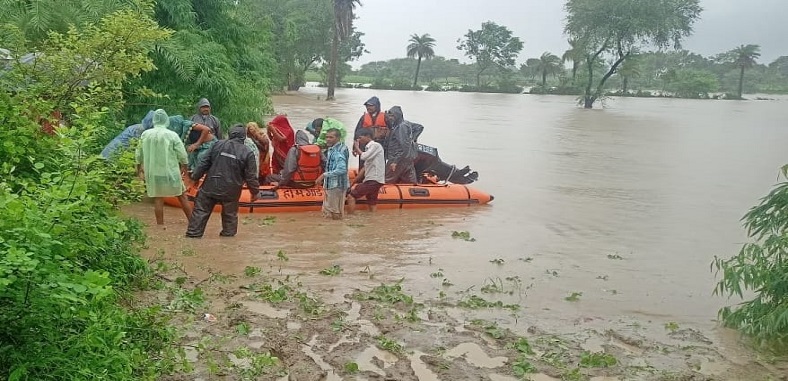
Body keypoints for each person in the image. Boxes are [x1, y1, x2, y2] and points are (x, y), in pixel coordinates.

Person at [185, 124, 260, 238]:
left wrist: (194, 177)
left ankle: (192, 237)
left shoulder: (217, 144)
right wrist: (254, 192)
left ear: (229, 134)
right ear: (243, 137)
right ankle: (227, 244)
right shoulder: (247, 152)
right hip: (231, 191)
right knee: (230, 217)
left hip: (210, 186)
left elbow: (203, 163)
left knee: (200, 212)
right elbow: (251, 176)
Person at [135, 109, 193, 225]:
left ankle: (160, 226)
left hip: (154, 172)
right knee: (182, 196)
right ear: (166, 120)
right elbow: (182, 154)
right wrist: (184, 168)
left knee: (158, 198)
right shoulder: (172, 135)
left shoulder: (145, 134)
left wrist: (138, 168)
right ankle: (193, 223)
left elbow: (138, 153)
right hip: (170, 171)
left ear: (154, 120)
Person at [347, 128, 385, 213]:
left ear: (368, 136)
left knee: (351, 196)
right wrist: (354, 181)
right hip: (373, 180)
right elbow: (364, 168)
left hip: (373, 180)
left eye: (360, 138)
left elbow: (364, 156)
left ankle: (349, 219)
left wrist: (357, 147)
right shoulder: (369, 149)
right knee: (372, 203)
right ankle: (373, 221)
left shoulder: (375, 146)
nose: (359, 140)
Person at [384, 106, 423, 184]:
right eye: (390, 116)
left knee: (387, 179)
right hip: (408, 159)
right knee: (411, 182)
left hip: (398, 158)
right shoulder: (405, 123)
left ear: (397, 115)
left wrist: (395, 161)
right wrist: (412, 139)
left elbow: (404, 147)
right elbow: (419, 127)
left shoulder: (401, 127)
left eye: (392, 116)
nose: (391, 118)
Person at [315, 128, 348, 220]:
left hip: (336, 185)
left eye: (331, 137)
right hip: (335, 184)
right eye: (327, 137)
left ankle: (336, 230)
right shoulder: (338, 148)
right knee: (332, 210)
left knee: (334, 211)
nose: (328, 139)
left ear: (338, 138)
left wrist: (324, 175)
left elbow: (342, 169)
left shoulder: (337, 152)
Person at [353, 96, 387, 170]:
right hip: (364, 144)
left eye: (371, 105)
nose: (368, 107)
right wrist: (355, 147)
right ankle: (361, 179)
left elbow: (391, 131)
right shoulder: (363, 117)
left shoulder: (385, 117)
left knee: (379, 162)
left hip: (380, 143)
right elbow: (357, 132)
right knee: (362, 162)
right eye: (367, 106)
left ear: (377, 106)